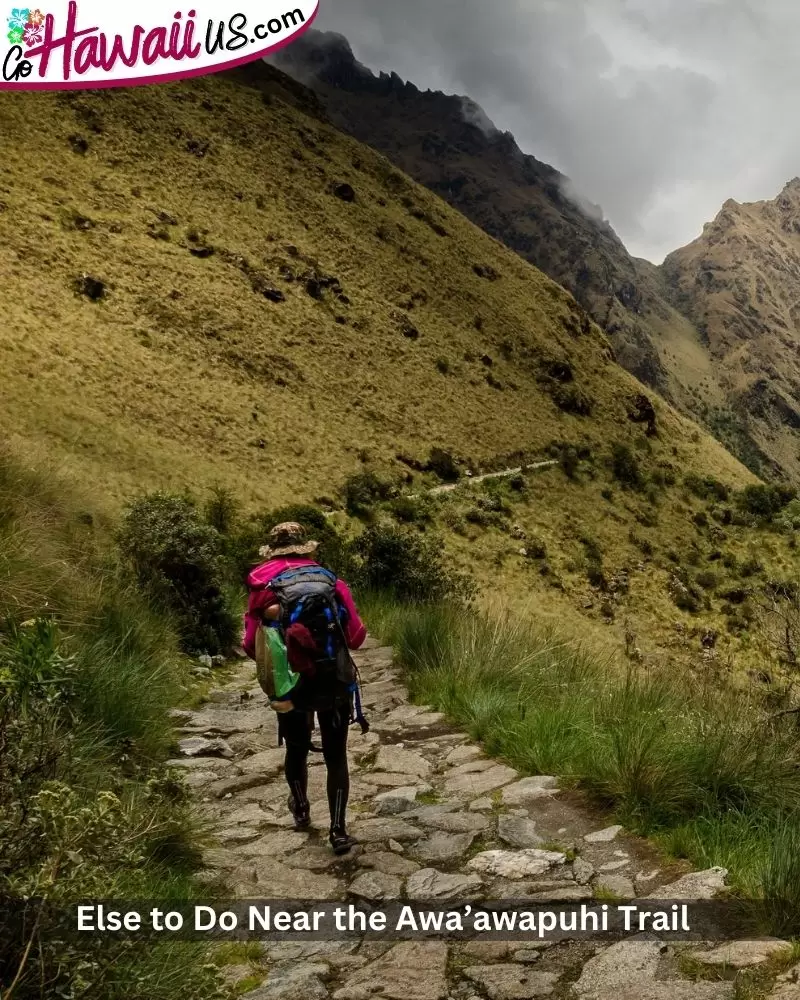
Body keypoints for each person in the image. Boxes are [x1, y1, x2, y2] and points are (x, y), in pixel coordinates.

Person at [242, 522, 367, 854]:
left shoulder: (263, 588)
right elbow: (356, 636)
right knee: (336, 756)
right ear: (307, 549)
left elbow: (249, 646)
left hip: (290, 683)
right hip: (334, 679)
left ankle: (300, 807)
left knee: (295, 749)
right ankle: (338, 830)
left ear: (273, 551)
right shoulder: (331, 582)